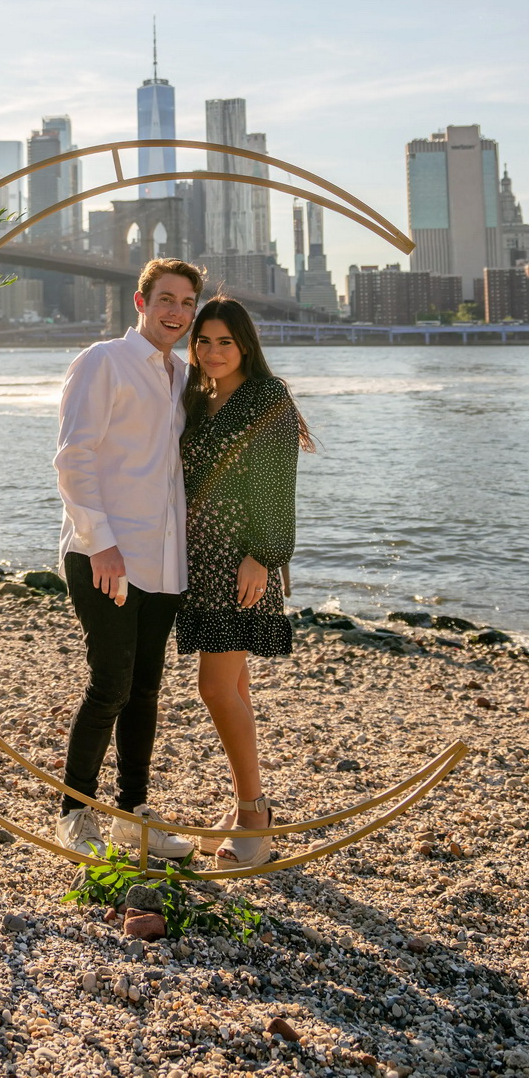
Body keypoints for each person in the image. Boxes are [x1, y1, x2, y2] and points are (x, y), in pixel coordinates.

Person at [53, 255, 203, 859]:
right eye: (166, 299)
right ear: (140, 303)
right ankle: (74, 812)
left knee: (146, 690)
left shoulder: (184, 376)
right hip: (104, 554)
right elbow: (74, 457)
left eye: (188, 303)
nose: (177, 312)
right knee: (110, 685)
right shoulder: (104, 361)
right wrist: (102, 542)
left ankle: (132, 813)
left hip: (163, 559)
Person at [176, 296, 311, 865]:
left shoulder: (266, 397)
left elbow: (279, 483)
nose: (211, 352)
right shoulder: (195, 397)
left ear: (246, 345)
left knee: (214, 688)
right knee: (233, 688)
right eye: (203, 341)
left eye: (224, 342)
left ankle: (254, 812)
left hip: (239, 562)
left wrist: (263, 555)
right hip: (198, 559)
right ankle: (244, 807)